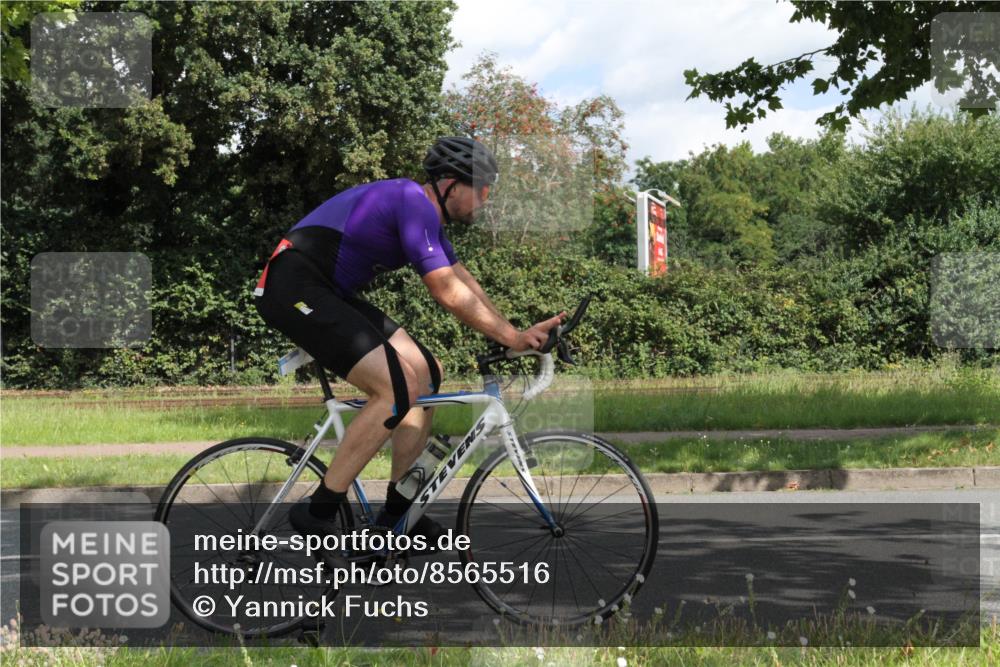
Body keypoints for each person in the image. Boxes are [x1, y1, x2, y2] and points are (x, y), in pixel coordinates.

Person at [253, 136, 564, 549]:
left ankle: (400, 510)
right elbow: (445, 290)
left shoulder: (427, 218)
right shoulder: (411, 200)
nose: (486, 199)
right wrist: (511, 336)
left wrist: (517, 335)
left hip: (329, 292)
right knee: (398, 387)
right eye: (482, 188)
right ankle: (319, 509)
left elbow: (461, 279)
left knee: (428, 372)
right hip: (291, 285)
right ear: (452, 184)